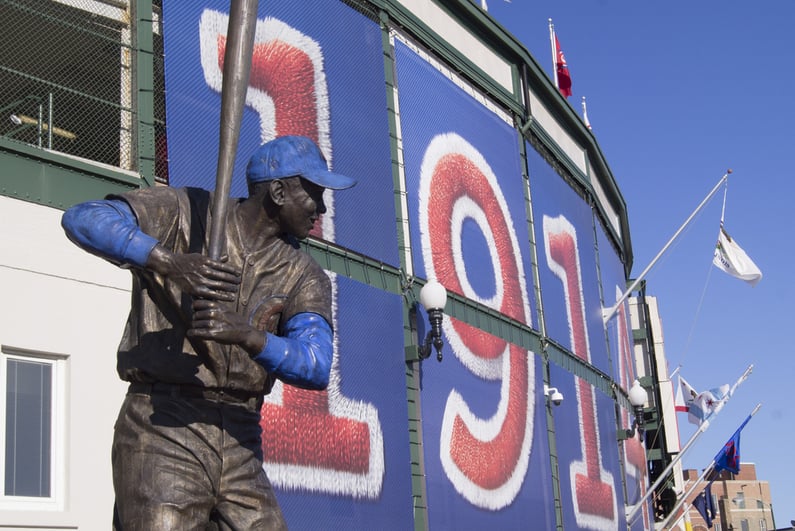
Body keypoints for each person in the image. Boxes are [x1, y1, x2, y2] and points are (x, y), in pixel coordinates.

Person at [62, 135, 357, 530]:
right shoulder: (185, 212)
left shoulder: (304, 274)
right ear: (279, 191)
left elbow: (316, 364)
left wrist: (249, 337)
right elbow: (83, 218)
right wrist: (168, 262)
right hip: (165, 424)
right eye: (314, 194)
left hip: (241, 436)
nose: (320, 208)